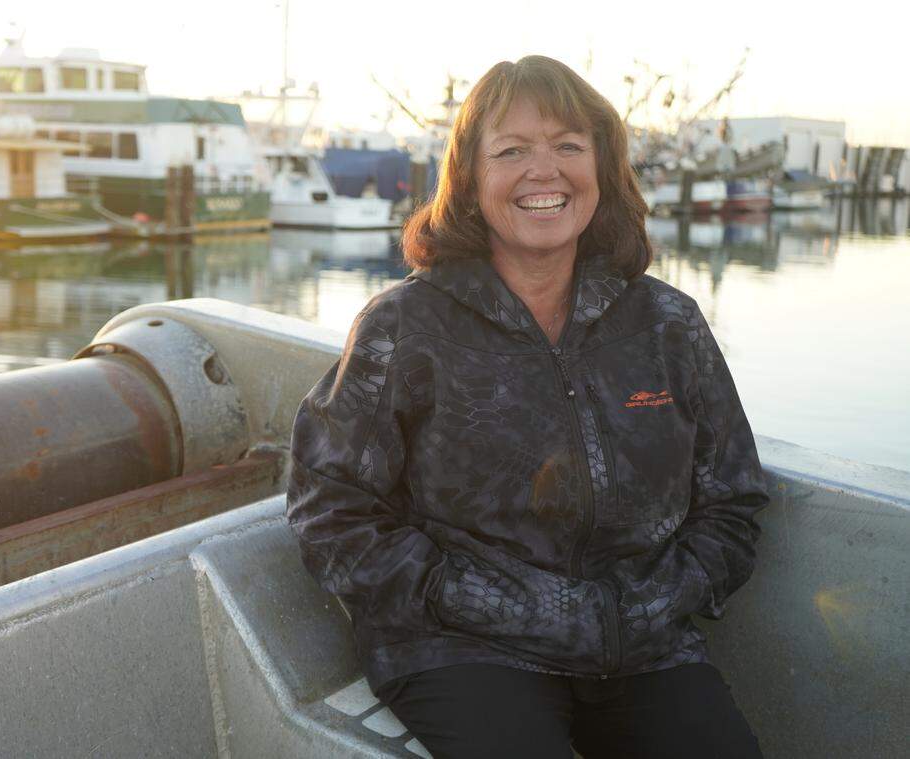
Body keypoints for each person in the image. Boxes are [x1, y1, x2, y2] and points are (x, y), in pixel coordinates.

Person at [286, 55, 768, 759]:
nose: (545, 171)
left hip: (640, 647)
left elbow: (733, 502)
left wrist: (651, 604)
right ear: (470, 180)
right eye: (511, 150)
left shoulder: (668, 323)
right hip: (463, 649)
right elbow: (330, 508)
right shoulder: (405, 327)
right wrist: (479, 599)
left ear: (601, 169)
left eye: (568, 146)